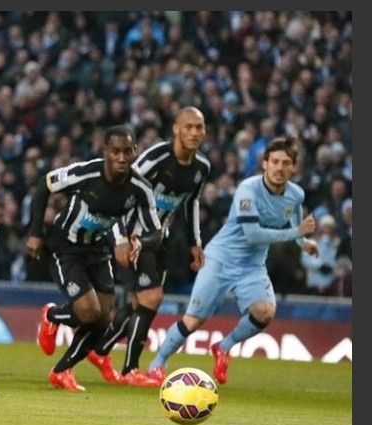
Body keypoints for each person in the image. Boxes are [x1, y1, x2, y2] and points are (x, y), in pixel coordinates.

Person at [146, 136, 319, 385]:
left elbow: (295, 218)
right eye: (275, 162)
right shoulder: (248, 190)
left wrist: (304, 243)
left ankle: (223, 347)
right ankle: (158, 363)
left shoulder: (296, 195)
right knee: (194, 320)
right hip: (221, 259)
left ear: (293, 167)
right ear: (265, 164)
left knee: (265, 311)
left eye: (286, 163)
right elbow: (253, 234)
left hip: (252, 266)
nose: (280, 168)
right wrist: (296, 234)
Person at [30, 124, 163, 392]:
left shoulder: (140, 188)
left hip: (98, 250)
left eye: (127, 151)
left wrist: (138, 241)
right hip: (65, 246)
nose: (122, 157)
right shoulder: (86, 173)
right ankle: (52, 315)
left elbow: (156, 232)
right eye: (116, 151)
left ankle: (61, 371)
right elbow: (44, 186)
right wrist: (35, 233)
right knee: (88, 312)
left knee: (104, 321)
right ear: (106, 152)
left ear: (135, 152)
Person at [84, 106, 211, 387]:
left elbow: (191, 204)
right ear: (176, 129)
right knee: (152, 298)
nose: (194, 132)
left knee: (140, 303)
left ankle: (101, 351)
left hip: (158, 238)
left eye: (199, 127)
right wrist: (118, 237)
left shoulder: (202, 168)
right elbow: (120, 189)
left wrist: (195, 243)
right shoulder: (156, 159)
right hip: (133, 235)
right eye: (188, 126)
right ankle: (130, 369)